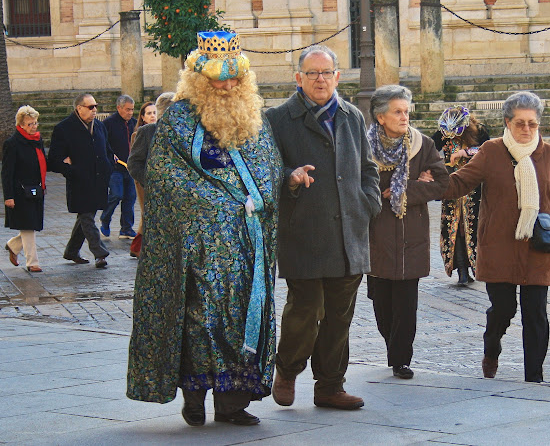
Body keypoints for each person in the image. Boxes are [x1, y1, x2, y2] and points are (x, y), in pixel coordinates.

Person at [126, 31, 282, 427]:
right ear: (199, 78)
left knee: (240, 314)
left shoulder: (254, 116)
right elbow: (166, 177)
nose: (228, 86)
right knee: (198, 319)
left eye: (235, 78)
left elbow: (268, 165)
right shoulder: (178, 118)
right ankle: (193, 399)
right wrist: (219, 205)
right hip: (195, 243)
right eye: (219, 78)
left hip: (246, 244)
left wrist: (262, 196)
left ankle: (232, 404)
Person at [266, 44, 381, 410]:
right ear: (298, 78)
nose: (320, 79)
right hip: (304, 231)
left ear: (337, 76)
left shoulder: (351, 115)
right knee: (305, 309)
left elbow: (367, 168)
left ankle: (330, 386)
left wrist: (368, 202)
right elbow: (266, 171)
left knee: (338, 316)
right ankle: (287, 368)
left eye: (326, 72)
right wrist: (290, 176)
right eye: (312, 73)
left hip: (350, 232)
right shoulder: (278, 119)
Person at [444, 91, 550, 383]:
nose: (526, 129)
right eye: (520, 123)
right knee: (504, 310)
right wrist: (429, 184)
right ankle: (492, 346)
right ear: (507, 122)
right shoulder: (491, 151)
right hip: (499, 246)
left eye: (532, 123)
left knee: (536, 314)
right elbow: (461, 182)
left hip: (537, 247)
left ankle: (535, 377)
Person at [366, 85, 449, 379]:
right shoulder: (363, 147)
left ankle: (401, 359)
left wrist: (406, 190)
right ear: (380, 117)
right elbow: (355, 185)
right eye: (397, 112)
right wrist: (380, 194)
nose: (404, 117)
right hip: (375, 233)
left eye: (406, 111)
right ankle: (393, 346)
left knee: (405, 304)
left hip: (410, 234)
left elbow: (442, 183)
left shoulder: (421, 144)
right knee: (381, 303)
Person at [48, 93, 112, 268]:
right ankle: (100, 253)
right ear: (79, 108)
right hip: (79, 182)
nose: (94, 110)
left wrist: (108, 167)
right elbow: (53, 160)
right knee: (87, 216)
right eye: (91, 107)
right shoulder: (64, 128)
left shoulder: (99, 126)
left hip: (98, 180)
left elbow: (106, 149)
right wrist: (71, 170)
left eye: (95, 106)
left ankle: (71, 251)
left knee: (86, 216)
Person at [432, 106, 490, 285]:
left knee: (473, 226)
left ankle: (476, 266)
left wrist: (464, 152)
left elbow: (487, 151)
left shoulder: (480, 131)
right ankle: (462, 271)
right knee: (454, 228)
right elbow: (429, 147)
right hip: (452, 186)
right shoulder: (444, 132)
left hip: (474, 187)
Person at [127, 93, 175, 258]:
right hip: (154, 193)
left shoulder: (184, 132)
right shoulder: (147, 132)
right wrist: (151, 182)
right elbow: (134, 163)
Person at [2, 106, 47, 272]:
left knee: (33, 224)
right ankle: (32, 262)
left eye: (35, 123)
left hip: (36, 190)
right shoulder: (12, 144)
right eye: (30, 124)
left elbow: (43, 163)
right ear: (20, 125)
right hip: (20, 192)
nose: (34, 126)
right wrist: (9, 196)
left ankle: (13, 246)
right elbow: (7, 173)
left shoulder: (37, 141)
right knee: (28, 226)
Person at [100, 95, 137, 240]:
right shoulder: (108, 123)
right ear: (119, 108)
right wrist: (110, 155)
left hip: (131, 168)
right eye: (127, 109)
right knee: (116, 194)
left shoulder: (135, 123)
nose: (130, 113)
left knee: (130, 197)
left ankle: (126, 228)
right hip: (115, 167)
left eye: (132, 110)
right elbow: (102, 143)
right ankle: (105, 218)